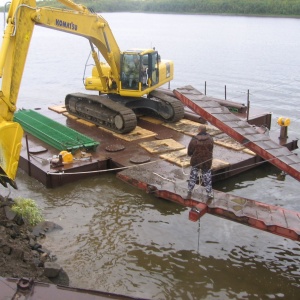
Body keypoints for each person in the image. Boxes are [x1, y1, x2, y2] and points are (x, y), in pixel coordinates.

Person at [187, 125, 214, 199]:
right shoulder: (210, 139)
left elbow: (190, 150)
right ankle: (209, 193)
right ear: (205, 131)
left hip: (196, 161)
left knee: (193, 176)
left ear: (199, 130)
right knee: (207, 177)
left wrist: (190, 154)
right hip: (206, 161)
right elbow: (211, 149)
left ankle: (190, 190)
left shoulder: (194, 139)